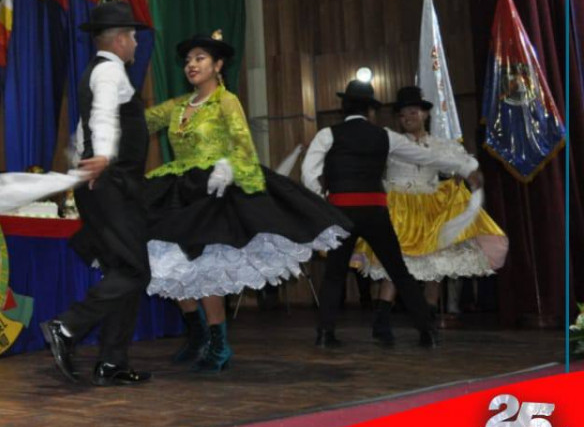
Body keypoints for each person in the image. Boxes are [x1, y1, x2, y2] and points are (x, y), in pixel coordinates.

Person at [143, 32, 351, 372]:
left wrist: (227, 167)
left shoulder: (226, 102)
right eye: (188, 60)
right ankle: (196, 334)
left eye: (200, 58)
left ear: (218, 65)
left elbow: (243, 145)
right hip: (180, 189)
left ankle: (219, 342)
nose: (191, 65)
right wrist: (106, 125)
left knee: (204, 266)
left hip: (213, 191)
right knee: (167, 261)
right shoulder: (178, 106)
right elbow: (143, 121)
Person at [302, 80, 481, 349]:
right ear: (370, 111)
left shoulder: (327, 134)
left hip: (340, 212)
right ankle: (427, 332)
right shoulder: (385, 136)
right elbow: (427, 158)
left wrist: (323, 199)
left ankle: (325, 334)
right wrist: (466, 167)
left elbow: (308, 174)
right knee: (399, 271)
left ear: (344, 108)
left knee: (335, 274)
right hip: (375, 212)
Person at [40, 0, 154, 387]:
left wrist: (83, 162)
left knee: (124, 272)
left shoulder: (97, 71)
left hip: (103, 184)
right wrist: (102, 155)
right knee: (135, 270)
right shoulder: (109, 71)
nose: (136, 44)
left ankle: (112, 362)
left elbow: (82, 126)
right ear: (119, 40)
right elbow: (102, 116)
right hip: (112, 184)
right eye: (133, 37)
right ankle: (67, 326)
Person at [354, 86, 507, 345]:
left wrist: (466, 175)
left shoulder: (441, 146)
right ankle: (381, 322)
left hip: (429, 210)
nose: (407, 118)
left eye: (413, 112)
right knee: (394, 265)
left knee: (436, 266)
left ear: (425, 114)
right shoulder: (391, 141)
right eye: (403, 114)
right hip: (399, 209)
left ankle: (428, 322)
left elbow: (462, 165)